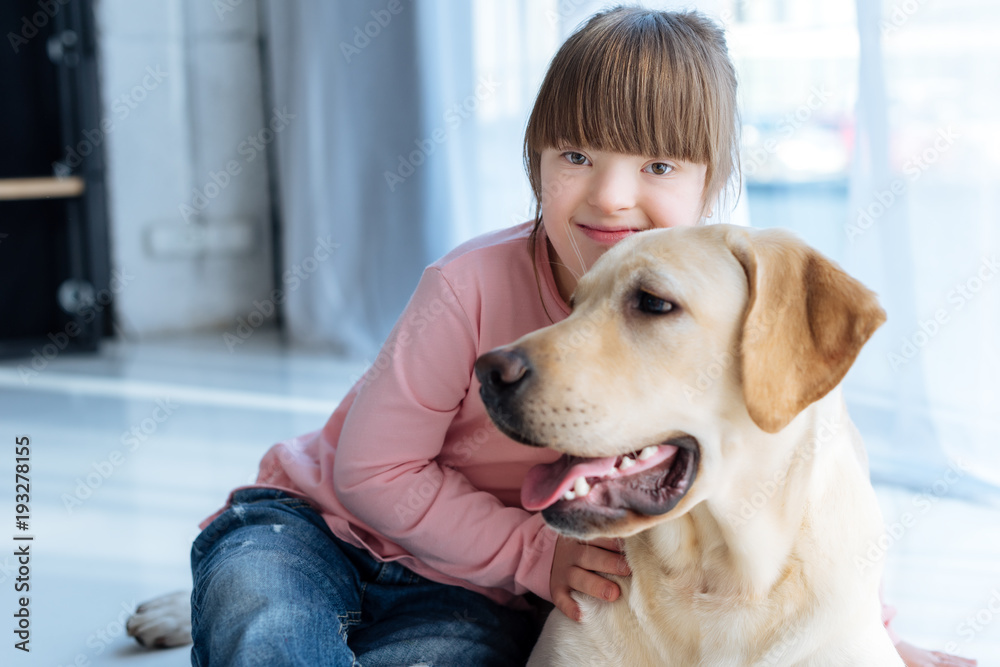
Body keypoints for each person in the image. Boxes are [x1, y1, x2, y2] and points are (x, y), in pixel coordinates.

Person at [190, 7, 976, 666]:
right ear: (534, 161)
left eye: (659, 164)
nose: (610, 195)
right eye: (575, 154)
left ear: (711, 185)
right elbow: (370, 469)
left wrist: (879, 637)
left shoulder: (734, 303)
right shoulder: (464, 285)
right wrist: (538, 555)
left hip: (467, 582)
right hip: (321, 524)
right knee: (262, 614)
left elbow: (816, 489)